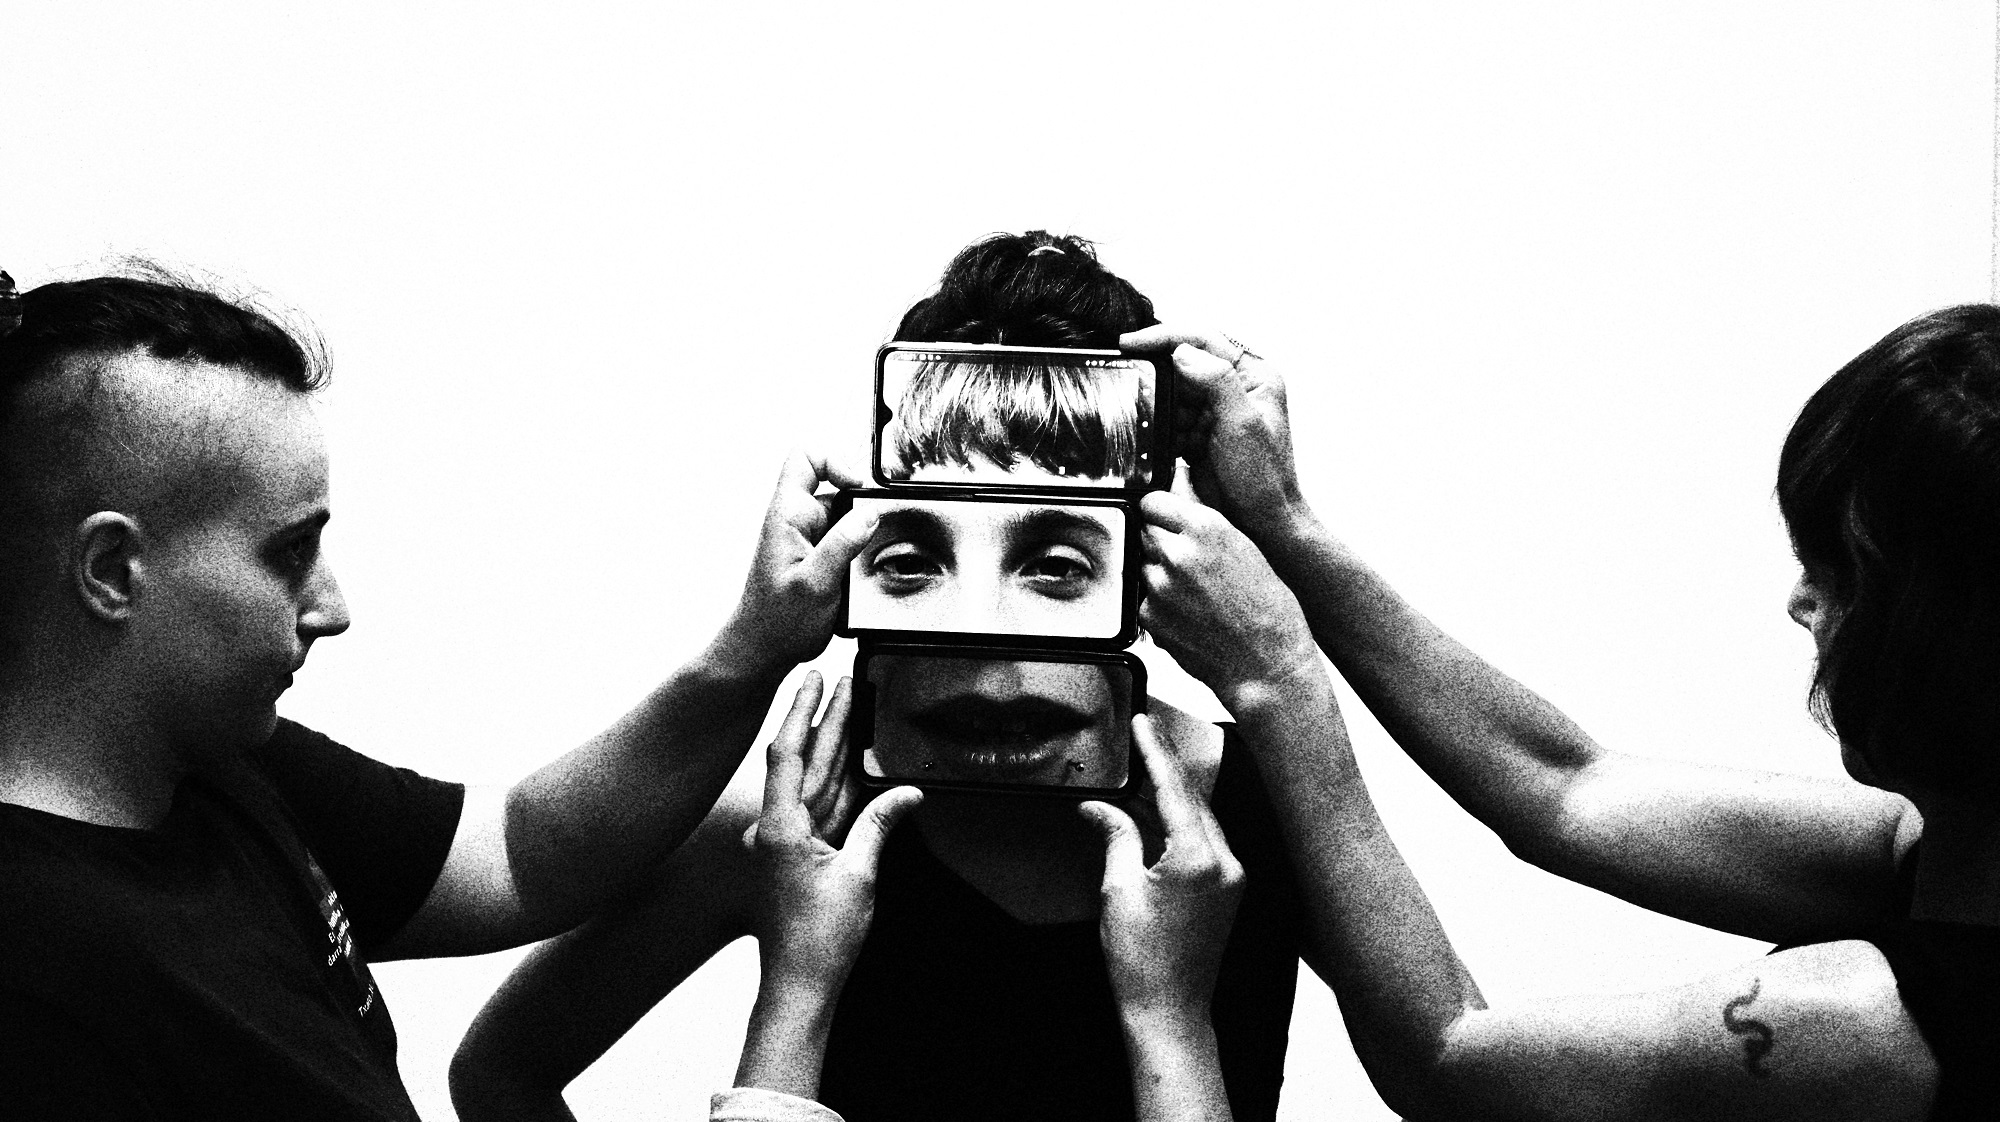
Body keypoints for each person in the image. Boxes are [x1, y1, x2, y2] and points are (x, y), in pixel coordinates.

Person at [450, 232, 1308, 1122]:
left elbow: (1420, 1058)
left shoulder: (1271, 808)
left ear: (1153, 572)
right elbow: (501, 1071)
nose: (985, 636)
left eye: (1056, 567)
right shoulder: (788, 828)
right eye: (913, 562)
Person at [0, 271, 875, 1119]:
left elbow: (519, 852)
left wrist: (754, 648)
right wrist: (799, 992)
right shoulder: (36, 981)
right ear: (112, 571)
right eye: (290, 551)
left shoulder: (224, 768)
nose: (332, 608)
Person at [1123, 305, 2000, 1120]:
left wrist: (1277, 680)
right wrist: (1283, 522)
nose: (1801, 602)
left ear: (1944, 631)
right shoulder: (1946, 849)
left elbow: (1445, 1060)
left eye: (1839, 573)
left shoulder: (1859, 1023)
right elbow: (1562, 787)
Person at [714, 670, 1242, 1122]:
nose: (997, 681)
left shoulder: (1245, 796)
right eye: (911, 580)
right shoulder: (780, 829)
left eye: (1057, 582)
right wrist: (734, 664)